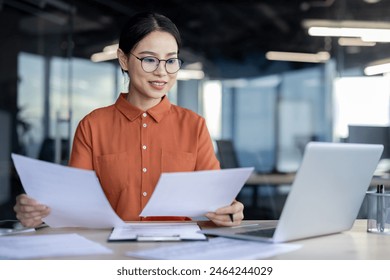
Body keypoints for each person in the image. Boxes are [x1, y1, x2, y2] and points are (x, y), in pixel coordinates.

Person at [14, 12, 244, 228]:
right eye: (149, 60)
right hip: (110, 250)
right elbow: (73, 207)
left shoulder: (194, 125)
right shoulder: (93, 125)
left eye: (170, 61)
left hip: (177, 252)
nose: (162, 72)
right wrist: (38, 214)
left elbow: (218, 203)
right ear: (124, 60)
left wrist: (230, 212)